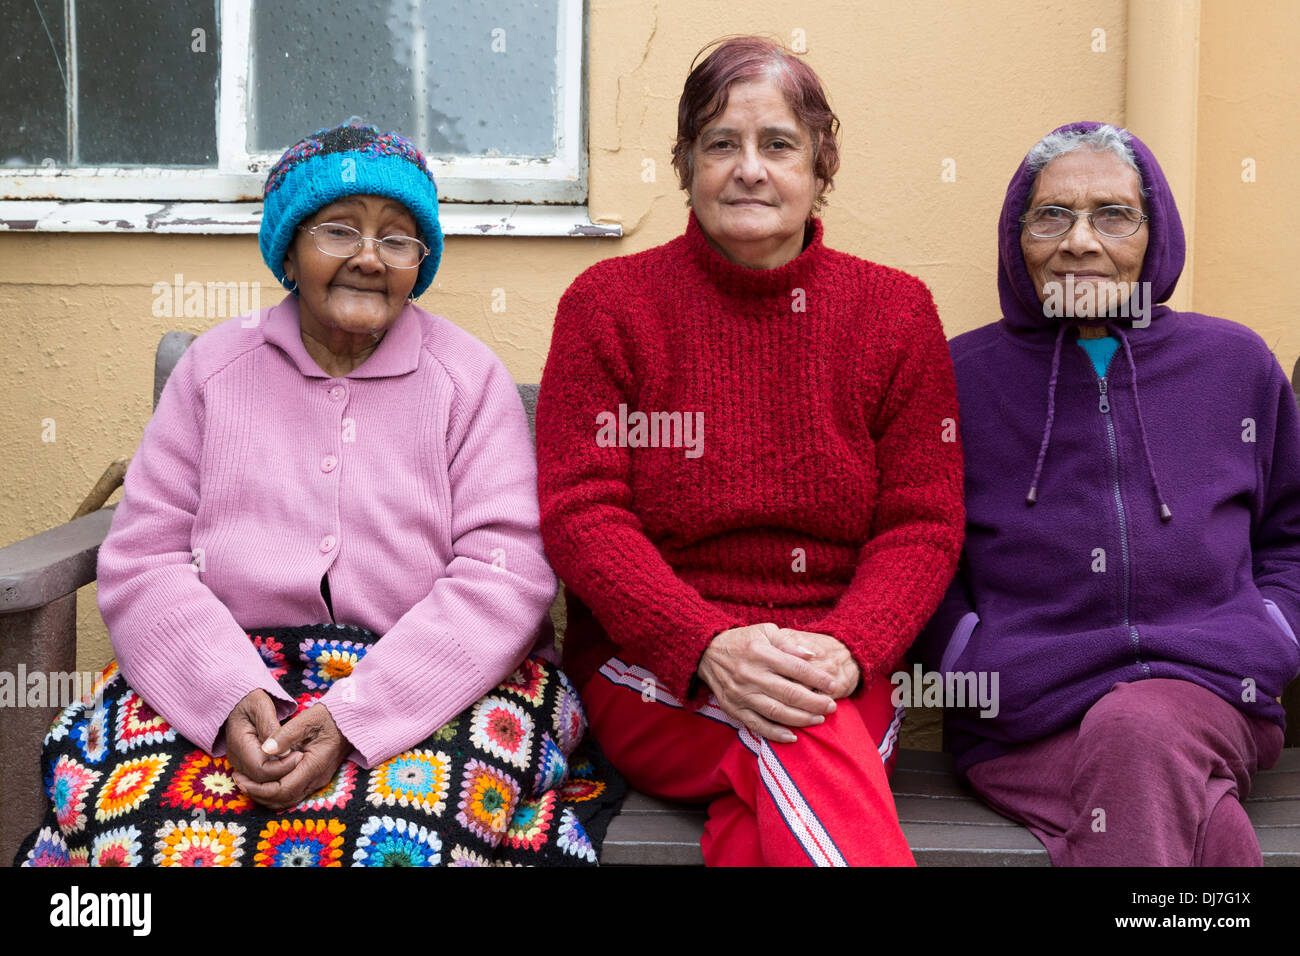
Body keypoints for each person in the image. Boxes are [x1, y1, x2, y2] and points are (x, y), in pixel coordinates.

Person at [18, 120, 620, 868]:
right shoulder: (214, 372)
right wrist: (223, 694)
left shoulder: (467, 380)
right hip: (232, 664)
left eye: (398, 239)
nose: (369, 258)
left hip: (440, 682)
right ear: (290, 249)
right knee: (145, 832)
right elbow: (146, 557)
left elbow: (504, 576)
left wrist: (357, 716)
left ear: (419, 262)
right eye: (340, 230)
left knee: (397, 839)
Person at [536, 37, 965, 866]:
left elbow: (923, 522)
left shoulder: (896, 314)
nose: (749, 170)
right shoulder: (610, 307)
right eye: (721, 144)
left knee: (777, 771)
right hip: (654, 673)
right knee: (798, 743)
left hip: (840, 667)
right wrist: (704, 645)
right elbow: (580, 512)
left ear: (819, 168)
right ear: (686, 164)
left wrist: (848, 647)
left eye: (777, 145)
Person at [914, 121, 1300, 866]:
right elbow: (922, 547)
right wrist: (967, 657)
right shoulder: (961, 378)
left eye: (1113, 215)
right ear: (1015, 237)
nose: (1080, 242)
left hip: (1210, 692)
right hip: (1025, 718)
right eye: (1051, 215)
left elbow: (1292, 530)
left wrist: (1274, 632)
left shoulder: (1234, 364)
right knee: (1208, 831)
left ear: (1153, 235)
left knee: (1140, 732)